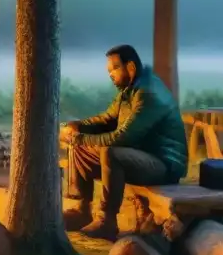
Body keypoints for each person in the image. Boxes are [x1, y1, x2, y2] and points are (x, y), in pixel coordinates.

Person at [59, 44, 188, 241]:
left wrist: (81, 137)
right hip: (141, 154)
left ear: (131, 68)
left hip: (163, 164)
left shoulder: (148, 94)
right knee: (80, 148)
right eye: (109, 70)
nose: (110, 75)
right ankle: (82, 210)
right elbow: (106, 119)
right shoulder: (129, 91)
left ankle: (106, 221)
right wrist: (77, 127)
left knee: (111, 153)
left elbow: (123, 137)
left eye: (114, 69)